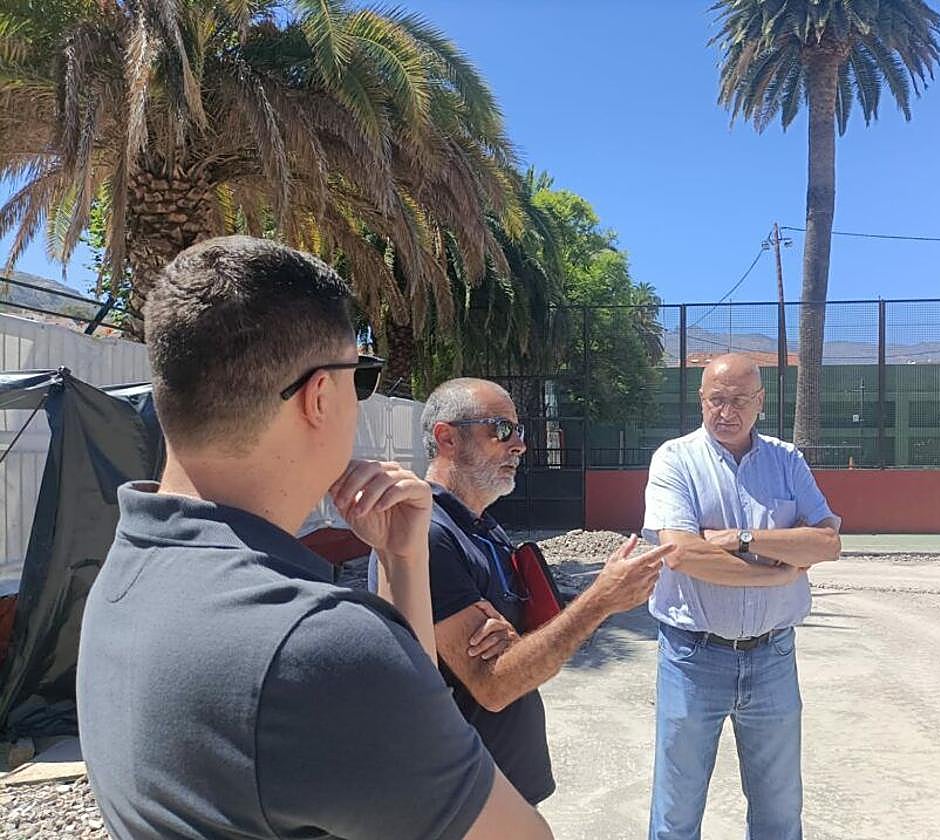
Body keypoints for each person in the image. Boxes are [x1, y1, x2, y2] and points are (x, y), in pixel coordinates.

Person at [77, 236, 551, 839]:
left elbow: (415, 741)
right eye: (363, 377)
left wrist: (401, 562)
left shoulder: (128, 566)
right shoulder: (318, 641)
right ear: (321, 395)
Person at [370, 377, 674, 805]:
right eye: (501, 429)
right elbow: (494, 685)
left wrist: (520, 642)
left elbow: (516, 651)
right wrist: (601, 599)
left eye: (520, 431)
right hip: (463, 800)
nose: (519, 445)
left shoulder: (481, 526)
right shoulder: (428, 536)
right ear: (447, 438)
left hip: (501, 788)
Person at [642, 353, 842, 840]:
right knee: (677, 812)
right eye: (716, 400)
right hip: (693, 657)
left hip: (773, 657)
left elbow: (827, 542)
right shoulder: (675, 460)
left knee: (778, 811)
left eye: (738, 401)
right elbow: (682, 554)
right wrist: (776, 574)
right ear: (700, 400)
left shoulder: (786, 460)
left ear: (760, 403)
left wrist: (742, 539)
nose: (725, 412)